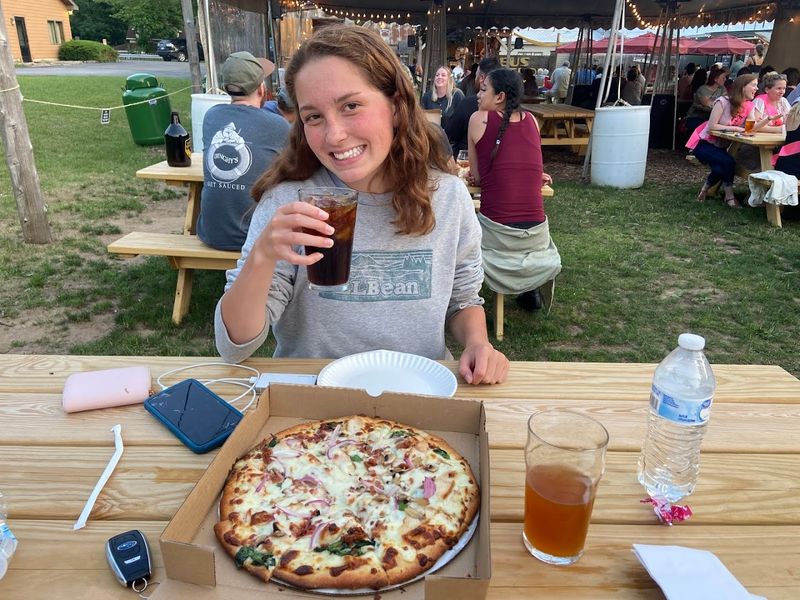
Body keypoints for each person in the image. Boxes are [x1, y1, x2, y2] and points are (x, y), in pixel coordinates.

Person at [214, 25, 509, 385]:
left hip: (417, 395)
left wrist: (478, 343)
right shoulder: (288, 203)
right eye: (314, 117)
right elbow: (234, 347)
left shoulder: (447, 197)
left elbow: (463, 298)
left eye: (350, 106)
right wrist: (262, 256)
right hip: (315, 409)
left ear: (396, 107)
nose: (334, 134)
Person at [467, 68, 560, 312]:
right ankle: (529, 288)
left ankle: (463, 292)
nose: (478, 94)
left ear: (499, 97)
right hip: (538, 235)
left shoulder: (478, 120)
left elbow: (476, 176)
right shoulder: (532, 121)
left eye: (484, 89)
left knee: (467, 222)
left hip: (497, 236)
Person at [196, 52, 290, 251]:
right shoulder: (278, 126)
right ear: (261, 88)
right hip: (255, 237)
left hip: (211, 233)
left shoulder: (211, 117)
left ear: (226, 88)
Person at [686, 73, 760, 208]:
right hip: (703, 144)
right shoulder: (723, 102)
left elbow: (750, 127)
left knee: (721, 169)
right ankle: (729, 197)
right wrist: (736, 129)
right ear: (742, 87)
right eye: (754, 85)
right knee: (729, 161)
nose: (756, 88)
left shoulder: (749, 106)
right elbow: (712, 126)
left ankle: (705, 190)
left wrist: (767, 121)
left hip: (720, 147)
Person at [444, 57, 500, 157]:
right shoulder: (513, 110)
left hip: (466, 160)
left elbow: (449, 134)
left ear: (482, 78)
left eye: (476, 76)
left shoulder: (469, 104)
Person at [684, 65, 726, 134]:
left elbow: (725, 102)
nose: (725, 79)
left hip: (711, 119)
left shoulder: (722, 89)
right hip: (696, 117)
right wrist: (720, 105)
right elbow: (707, 104)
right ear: (715, 79)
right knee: (708, 131)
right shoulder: (703, 89)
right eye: (723, 78)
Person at [420, 65, 464, 130]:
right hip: (432, 136)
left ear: (449, 79)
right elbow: (420, 118)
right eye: (437, 75)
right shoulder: (427, 96)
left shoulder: (457, 95)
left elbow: (463, 119)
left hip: (450, 138)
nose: (439, 77)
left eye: (443, 75)